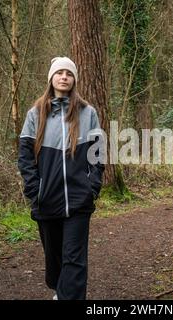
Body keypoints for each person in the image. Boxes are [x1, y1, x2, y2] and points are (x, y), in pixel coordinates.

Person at [18, 57, 104, 300]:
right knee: (54, 259)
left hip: (79, 201)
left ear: (74, 79)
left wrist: (92, 187)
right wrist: (35, 191)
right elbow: (24, 156)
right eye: (60, 73)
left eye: (69, 73)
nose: (64, 77)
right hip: (47, 199)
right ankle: (61, 291)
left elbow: (98, 154)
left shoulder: (88, 113)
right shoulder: (36, 113)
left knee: (74, 260)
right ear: (51, 78)